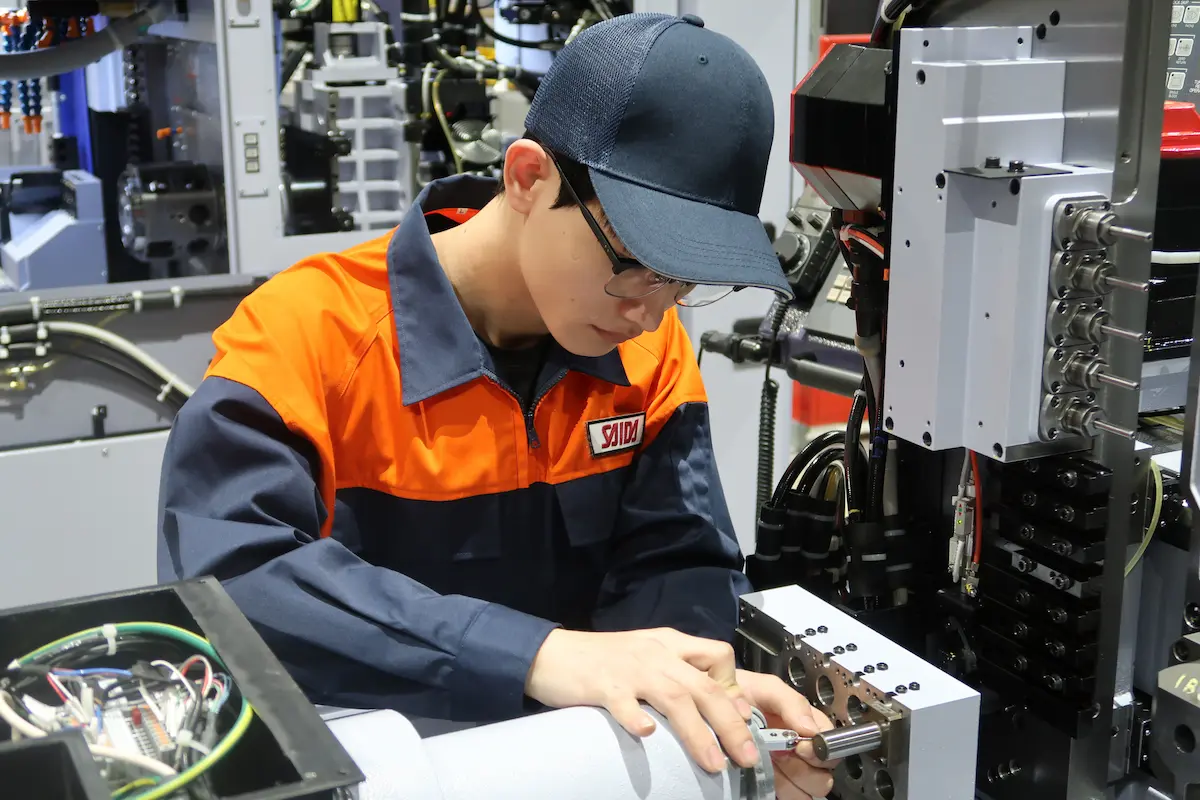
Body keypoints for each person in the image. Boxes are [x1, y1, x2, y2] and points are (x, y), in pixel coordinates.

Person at [157, 11, 835, 799]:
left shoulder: (647, 354)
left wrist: (698, 712)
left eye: (684, 282)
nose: (651, 313)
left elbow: (677, 559)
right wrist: (534, 655)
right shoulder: (306, 336)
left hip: (582, 769)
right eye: (635, 264)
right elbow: (232, 581)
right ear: (527, 178)